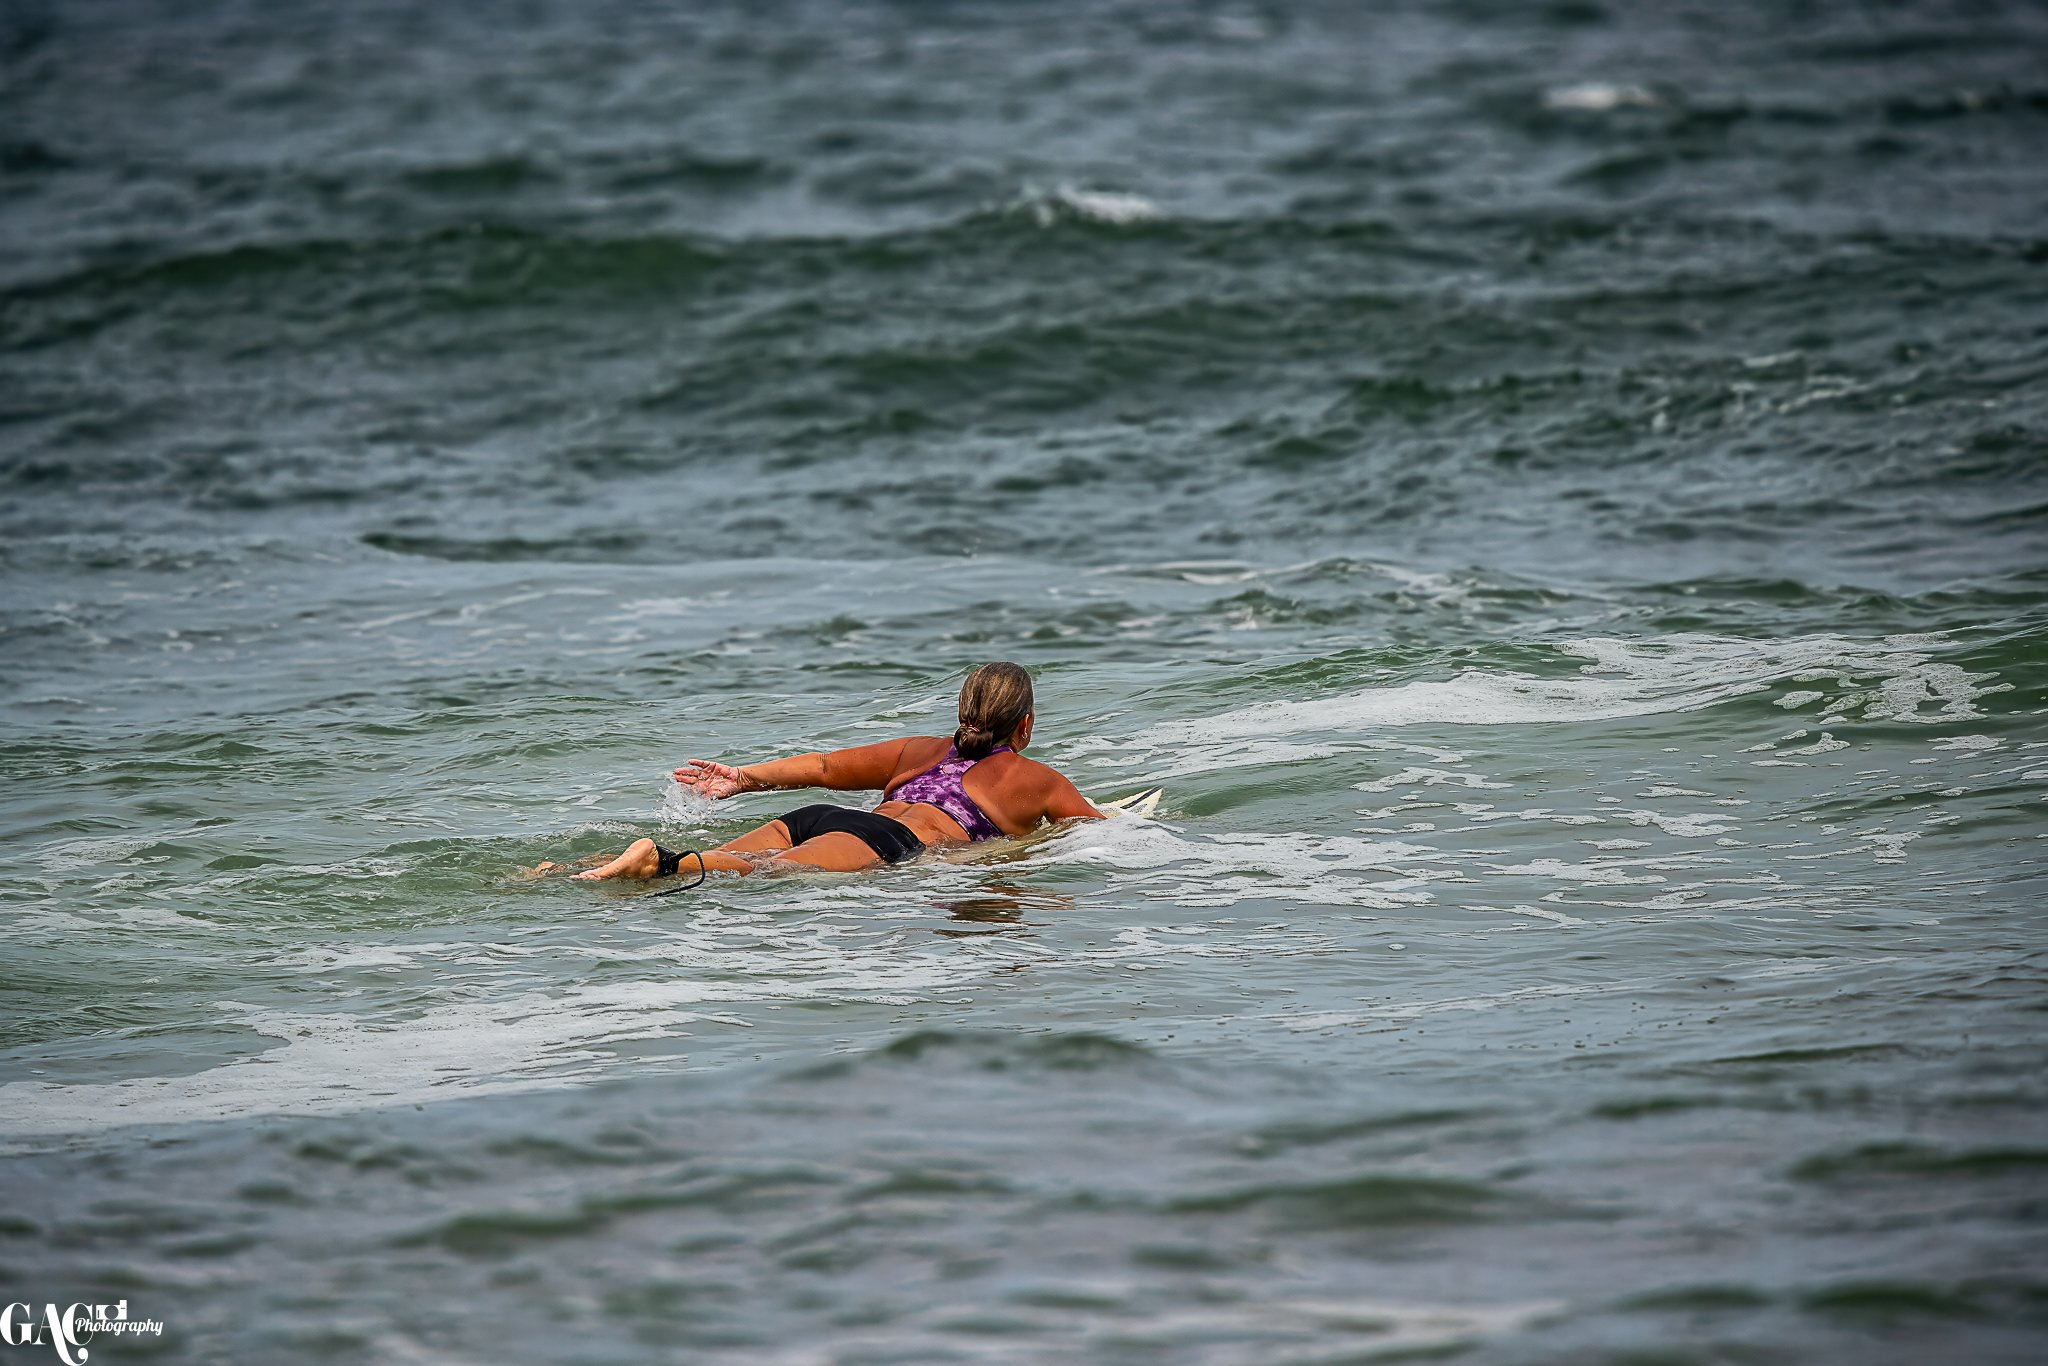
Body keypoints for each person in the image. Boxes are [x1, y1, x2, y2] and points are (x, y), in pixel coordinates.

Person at [571, 661, 1100, 882]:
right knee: (756, 873)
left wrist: (745, 778)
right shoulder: (1036, 779)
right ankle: (653, 862)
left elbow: (824, 767)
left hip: (820, 817)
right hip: (883, 839)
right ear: (1024, 724)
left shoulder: (921, 748)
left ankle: (570, 871)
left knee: (737, 857)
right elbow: (1100, 832)